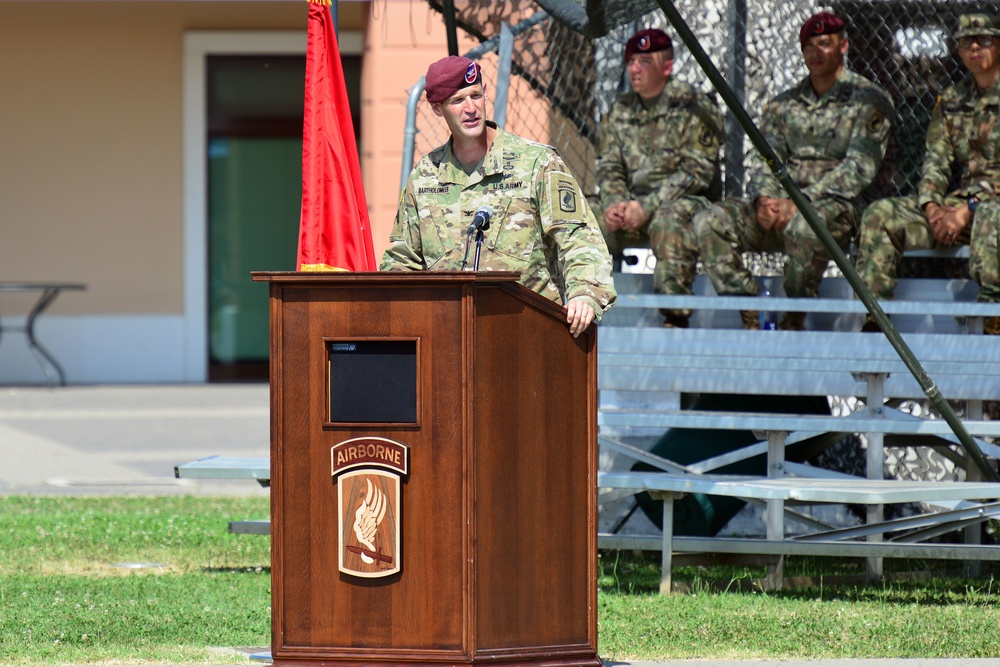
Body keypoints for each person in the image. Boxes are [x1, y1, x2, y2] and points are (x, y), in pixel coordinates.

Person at [381, 56, 616, 338]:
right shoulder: (425, 176)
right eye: (458, 100)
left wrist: (584, 294)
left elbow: (580, 239)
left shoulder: (536, 163)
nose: (471, 109)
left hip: (530, 334)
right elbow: (403, 261)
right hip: (448, 339)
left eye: (476, 95)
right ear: (437, 108)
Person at [694, 12, 894, 330]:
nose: (815, 52)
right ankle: (748, 309)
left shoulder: (870, 101)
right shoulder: (783, 105)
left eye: (824, 44)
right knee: (710, 220)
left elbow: (858, 169)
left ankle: (796, 313)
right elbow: (763, 160)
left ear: (843, 46)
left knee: (804, 226)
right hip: (783, 206)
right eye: (809, 46)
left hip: (841, 206)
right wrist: (763, 200)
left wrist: (799, 202)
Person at [856, 11, 1000, 334]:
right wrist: (932, 207)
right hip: (962, 209)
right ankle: (876, 319)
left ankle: (994, 316)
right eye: (966, 42)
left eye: (985, 40)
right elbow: (937, 159)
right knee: (881, 214)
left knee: (992, 212)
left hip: (986, 209)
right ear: (959, 50)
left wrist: (970, 206)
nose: (975, 47)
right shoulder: (952, 100)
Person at [595, 28, 724, 328]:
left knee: (668, 220)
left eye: (644, 62)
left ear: (667, 66)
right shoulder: (620, 109)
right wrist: (615, 203)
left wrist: (646, 207)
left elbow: (698, 172)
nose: (634, 69)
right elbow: (609, 164)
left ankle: (674, 317)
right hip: (632, 207)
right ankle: (589, 306)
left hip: (686, 202)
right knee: (583, 217)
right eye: (630, 62)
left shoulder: (695, 105)